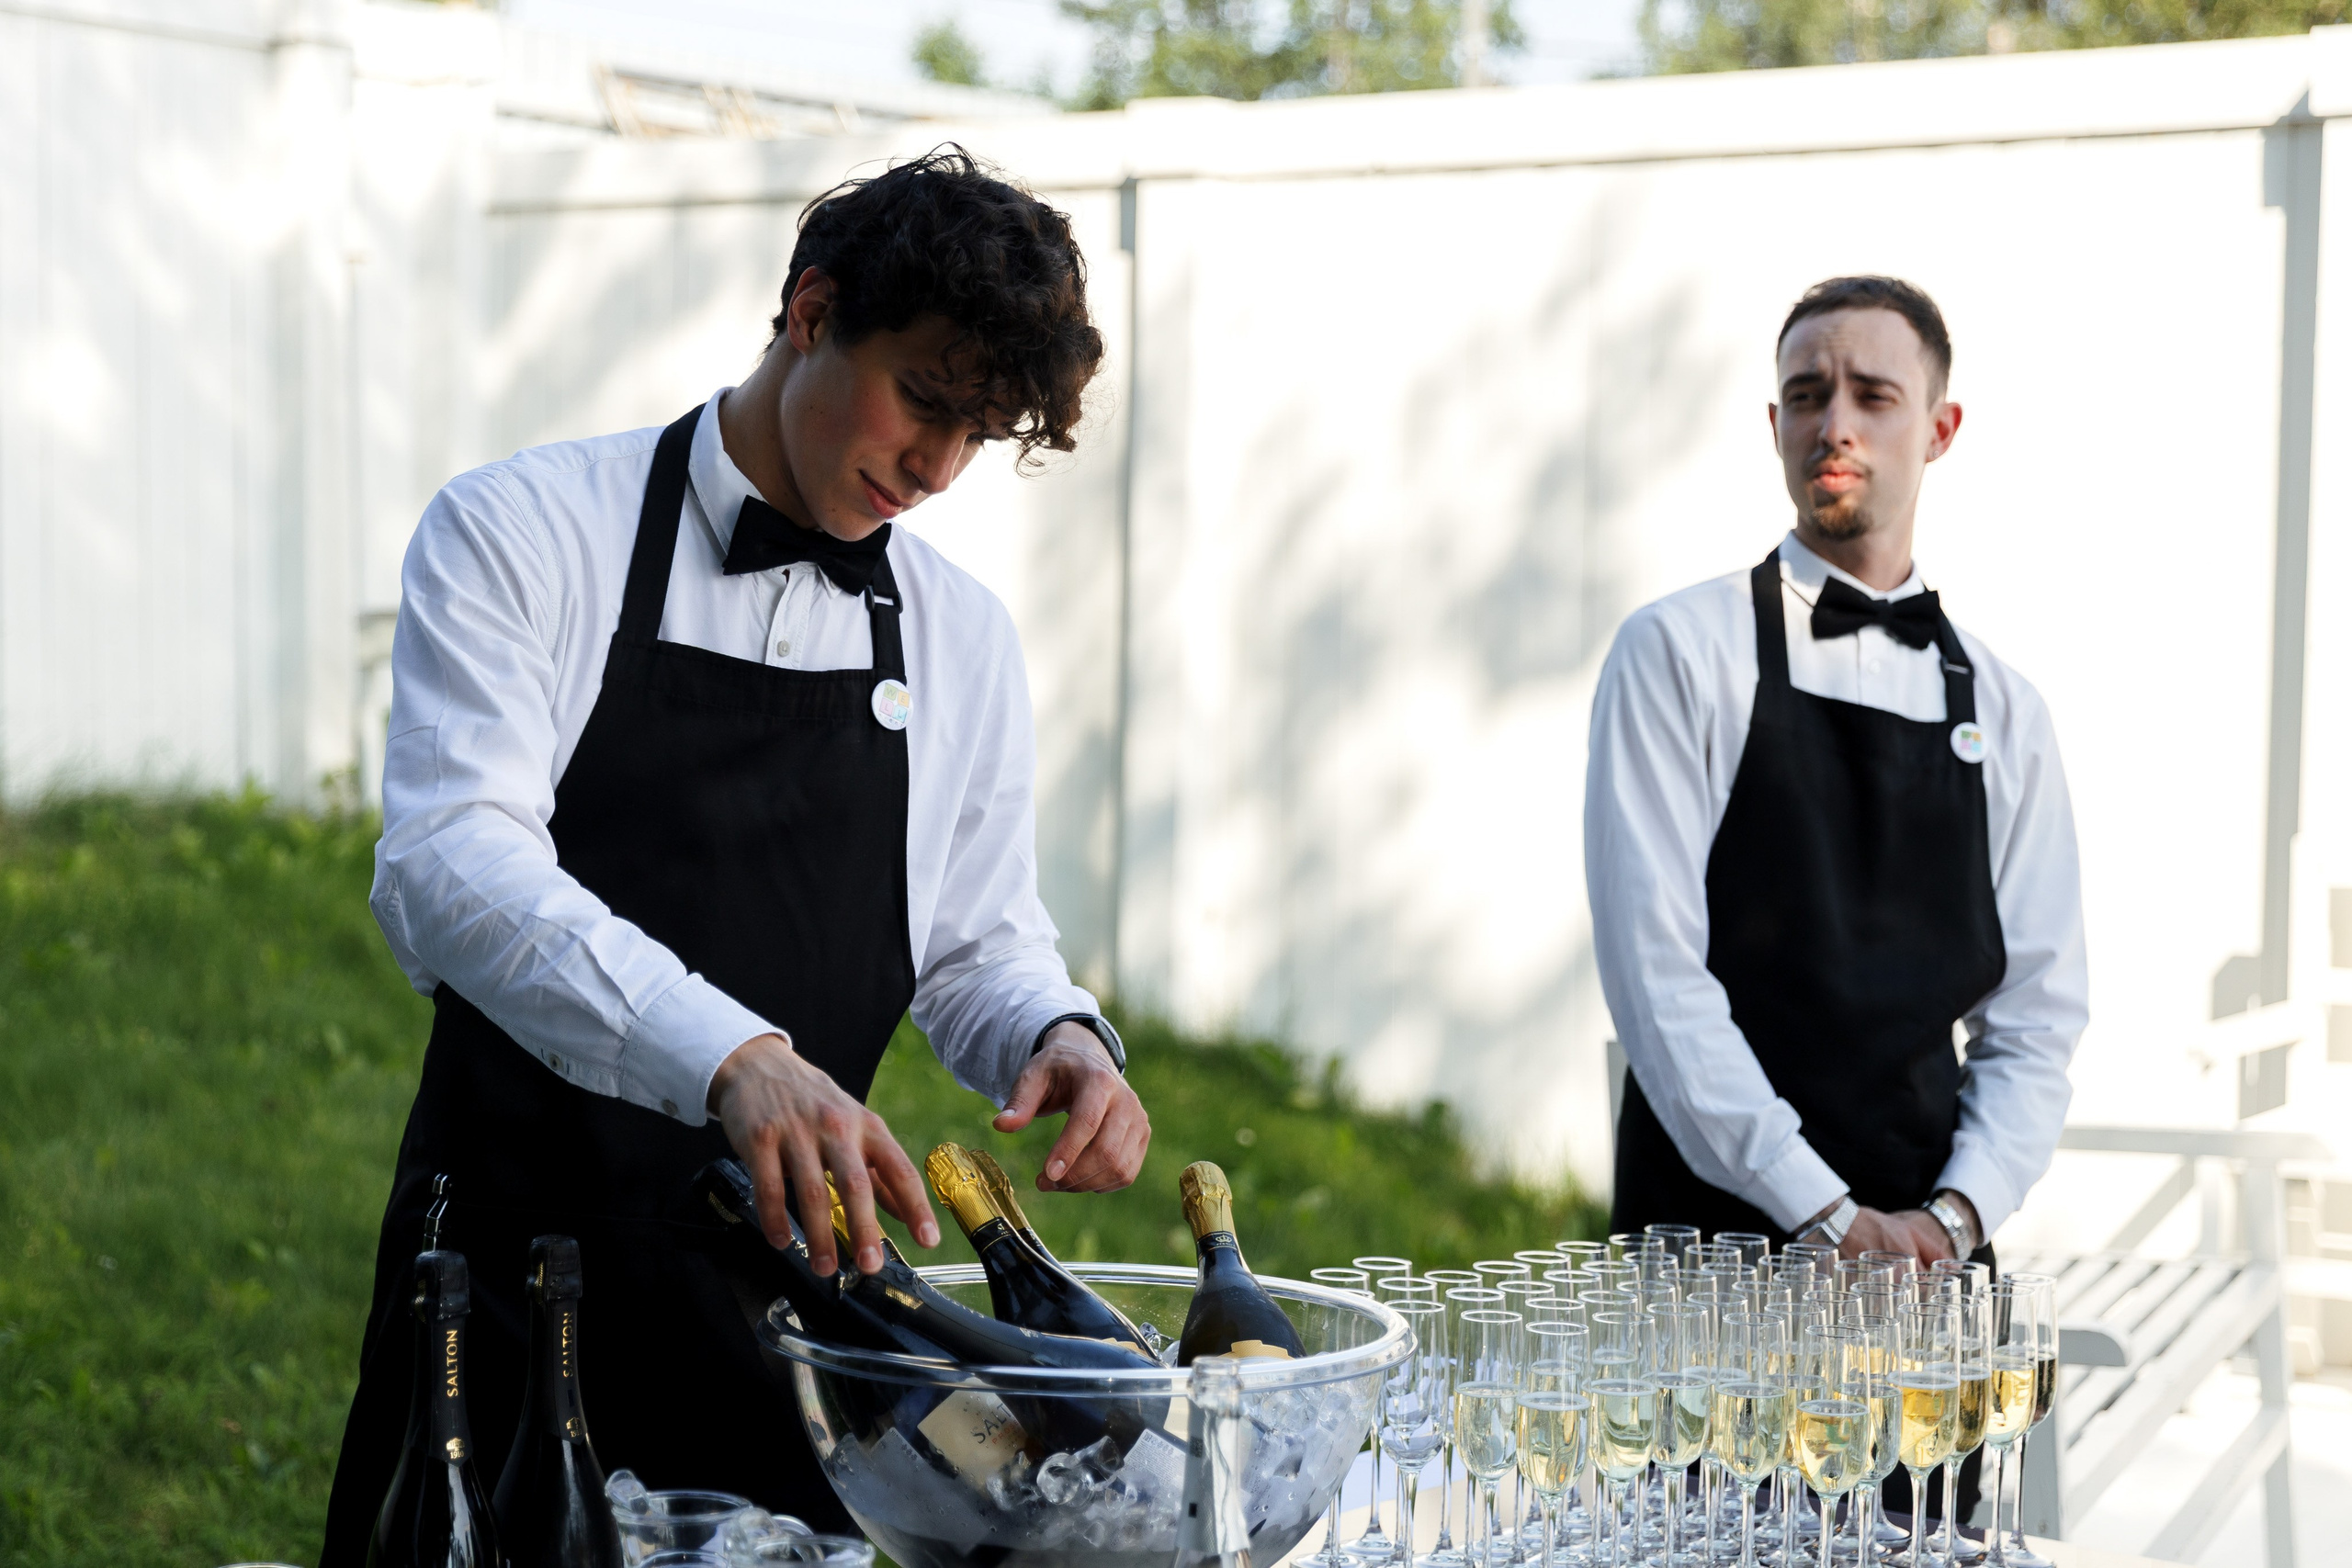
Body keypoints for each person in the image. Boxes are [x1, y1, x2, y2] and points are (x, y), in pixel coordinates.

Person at [319, 148, 1148, 1561]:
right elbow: (451, 866)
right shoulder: (526, 531)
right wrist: (733, 1052)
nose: (938, 467)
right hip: (516, 1292)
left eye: (979, 432)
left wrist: (1057, 1026)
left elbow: (970, 935)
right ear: (811, 310)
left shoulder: (962, 636)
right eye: (926, 403)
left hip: (795, 1314)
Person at [1586, 275, 2088, 1266]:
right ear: (1775, 423)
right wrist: (1819, 1211)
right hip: (1712, 1246)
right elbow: (1655, 977)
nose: (1835, 424)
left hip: (1926, 1266)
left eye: (1873, 395)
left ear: (1940, 429)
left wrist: (1952, 1219)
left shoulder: (2006, 708)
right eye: (1808, 395)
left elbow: (2038, 1011)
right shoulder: (1677, 651)